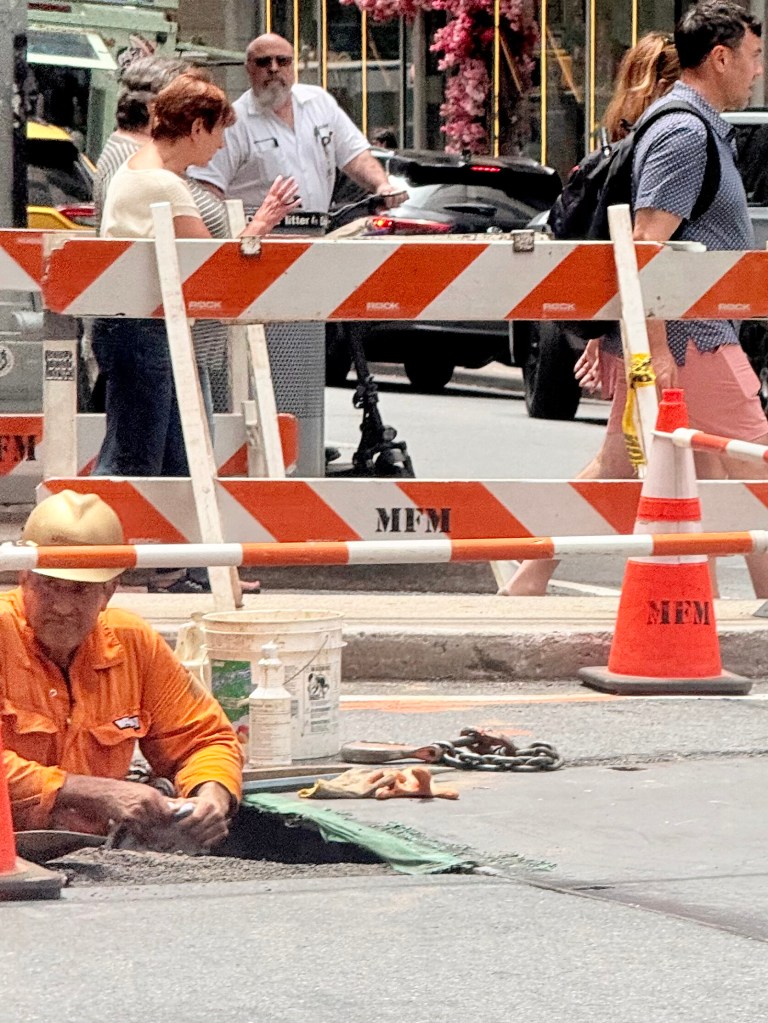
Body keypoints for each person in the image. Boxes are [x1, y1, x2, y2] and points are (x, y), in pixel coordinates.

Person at [500, 32, 681, 596]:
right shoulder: (662, 142)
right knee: (618, 466)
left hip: (637, 326)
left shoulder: (622, 140)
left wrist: (607, 337)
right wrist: (635, 343)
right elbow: (635, 252)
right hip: (656, 329)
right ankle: (530, 570)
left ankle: (529, 570)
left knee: (621, 464)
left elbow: (613, 251)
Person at [91, 59, 255, 595]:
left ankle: (188, 567)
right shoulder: (166, 185)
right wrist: (257, 229)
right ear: (197, 127)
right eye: (218, 135)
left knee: (170, 451)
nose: (220, 150)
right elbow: (213, 267)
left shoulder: (136, 169)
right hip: (145, 331)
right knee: (138, 454)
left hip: (129, 328)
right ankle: (86, 561)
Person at [0, 490, 243, 848]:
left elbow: (204, 739)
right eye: (50, 586)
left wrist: (211, 797)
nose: (63, 607)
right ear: (24, 577)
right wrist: (88, 791)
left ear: (110, 591)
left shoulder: (132, 643)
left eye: (81, 591)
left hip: (92, 852)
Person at [187, 32, 403, 214]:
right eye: (264, 62)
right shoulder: (233, 122)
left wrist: (382, 185)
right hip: (260, 246)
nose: (274, 68)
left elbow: (355, 156)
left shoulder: (319, 102)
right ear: (249, 69)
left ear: (293, 66)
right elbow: (208, 190)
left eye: (283, 61)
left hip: (316, 238)